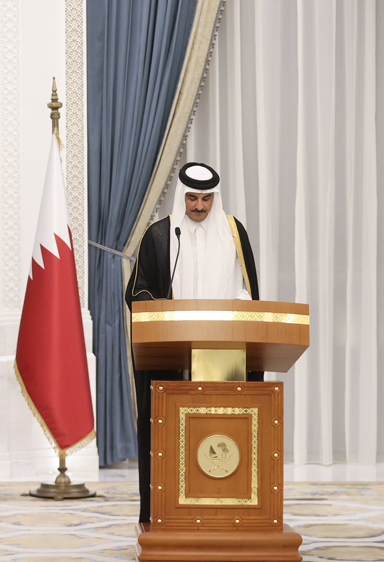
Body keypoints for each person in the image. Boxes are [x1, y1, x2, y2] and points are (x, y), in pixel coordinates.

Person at [124, 162, 261, 524]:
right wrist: (166, 314)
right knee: (171, 434)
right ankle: (166, 513)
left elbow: (247, 288)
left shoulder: (234, 233)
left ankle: (226, 509)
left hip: (224, 351)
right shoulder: (160, 235)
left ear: (215, 198)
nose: (199, 206)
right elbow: (136, 291)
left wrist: (242, 303)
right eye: (192, 198)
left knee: (221, 426)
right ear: (180, 196)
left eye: (205, 199)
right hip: (170, 353)